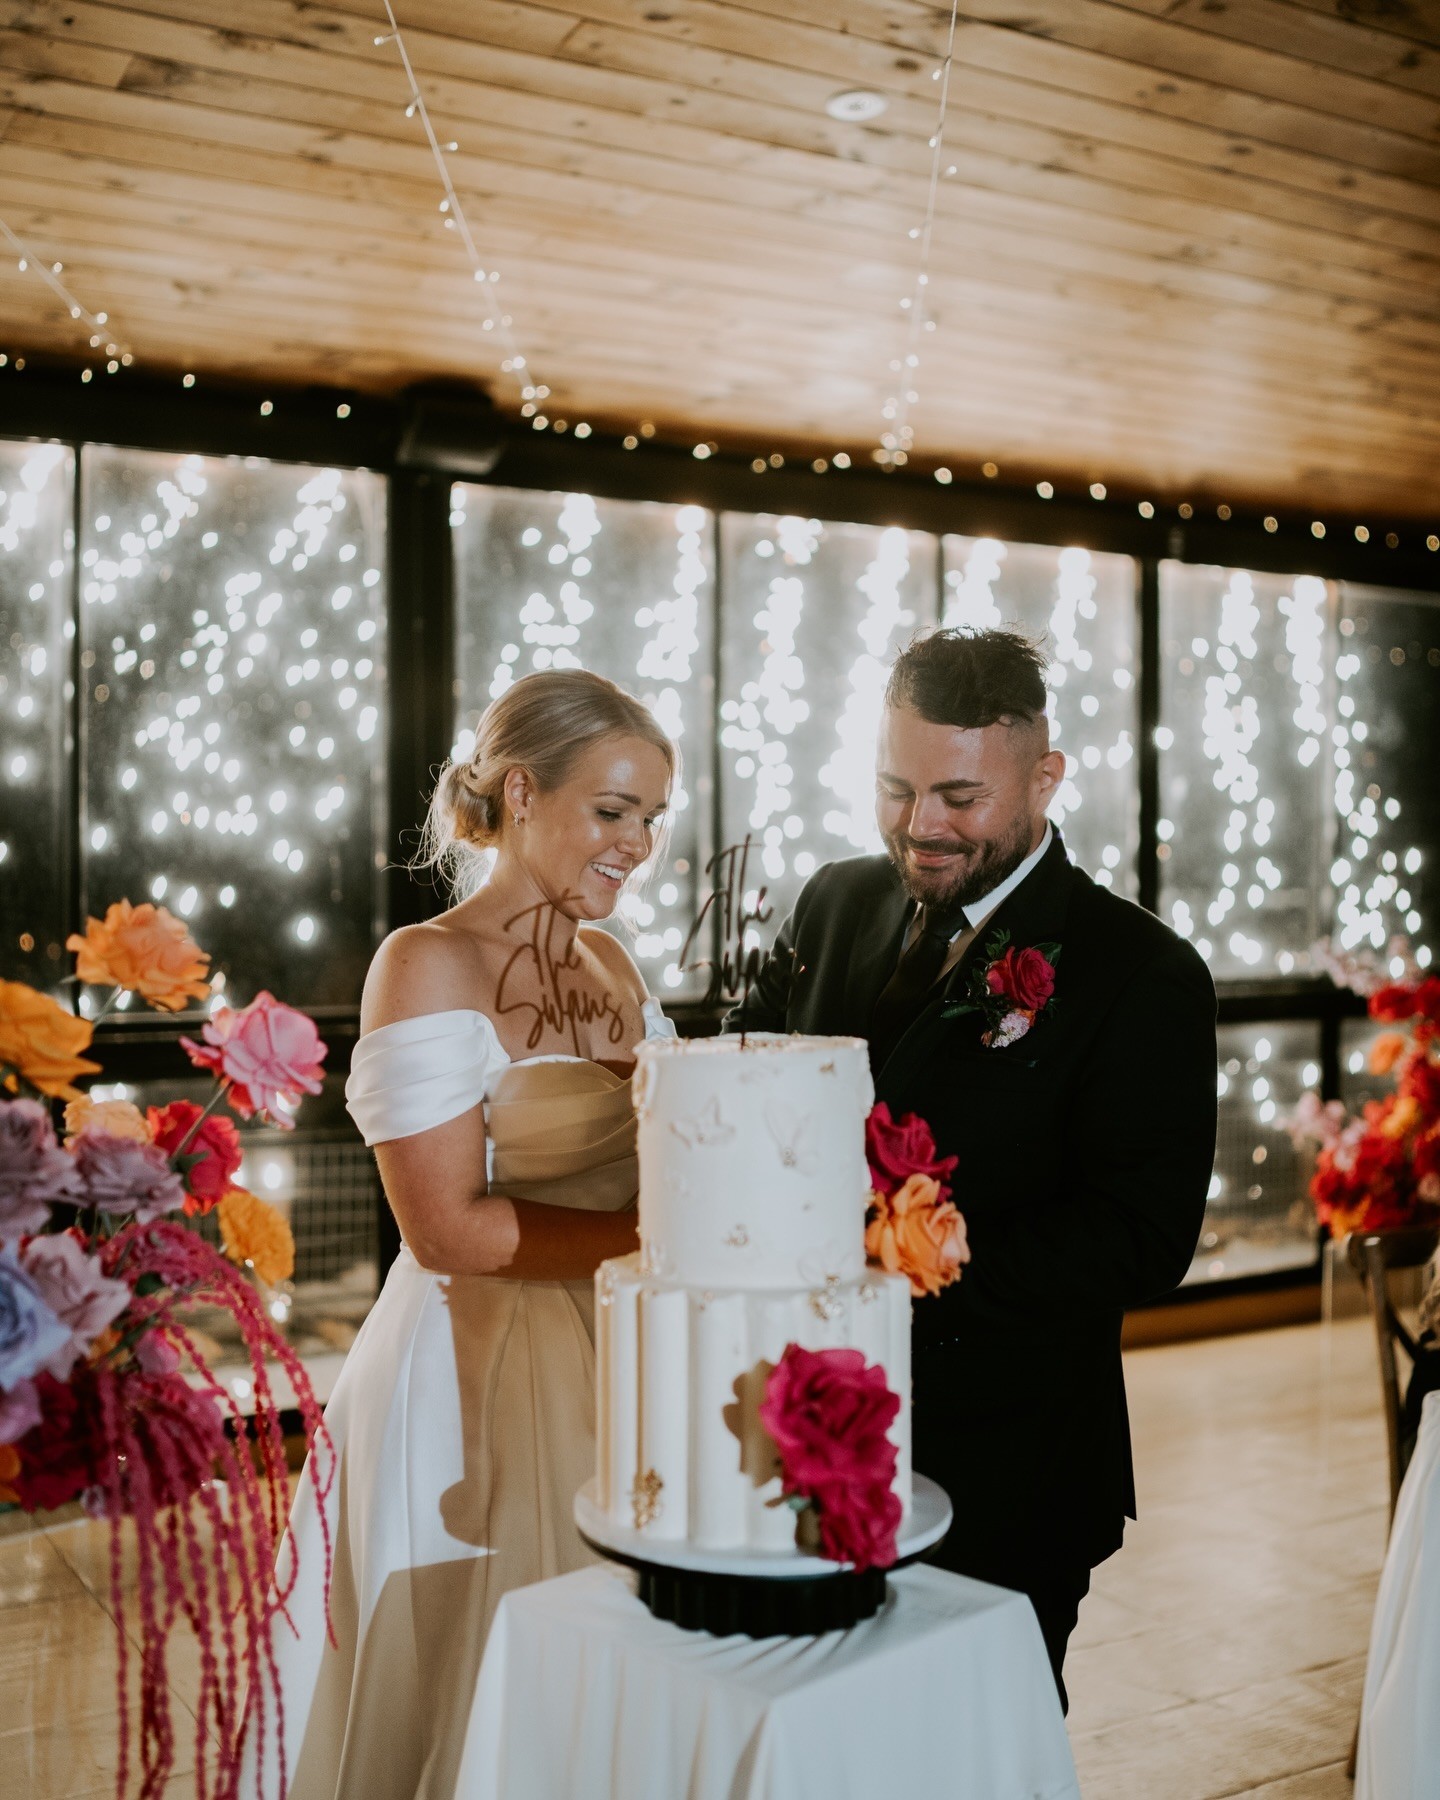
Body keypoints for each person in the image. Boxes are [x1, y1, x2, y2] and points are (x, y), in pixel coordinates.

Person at [727, 626, 1217, 1709]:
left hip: (1006, 1457)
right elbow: (746, 1072)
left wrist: (908, 1255)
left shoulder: (1140, 971)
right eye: (895, 789)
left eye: (961, 796)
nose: (922, 825)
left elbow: (1141, 1237)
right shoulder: (833, 900)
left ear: (1045, 778)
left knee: (970, 1748)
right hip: (793, 1429)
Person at [241, 669, 677, 1799]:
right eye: (613, 810)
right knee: (482, 1686)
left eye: (652, 817)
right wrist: (661, 1236)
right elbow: (446, 1230)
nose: (638, 844)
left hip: (626, 1356)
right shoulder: (426, 961)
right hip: (470, 1372)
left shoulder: (614, 965)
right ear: (521, 793)